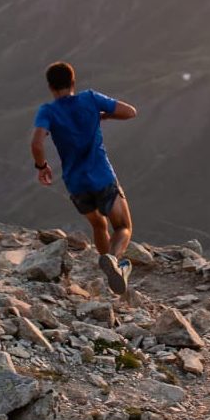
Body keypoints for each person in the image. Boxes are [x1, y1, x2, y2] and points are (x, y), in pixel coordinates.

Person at [29, 61, 138, 295]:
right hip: (102, 177)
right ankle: (113, 261)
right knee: (123, 227)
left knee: (98, 224)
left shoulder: (47, 111)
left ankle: (108, 270)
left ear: (50, 87)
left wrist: (42, 166)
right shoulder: (90, 99)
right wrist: (103, 115)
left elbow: (37, 143)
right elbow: (130, 112)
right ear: (73, 82)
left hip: (76, 183)